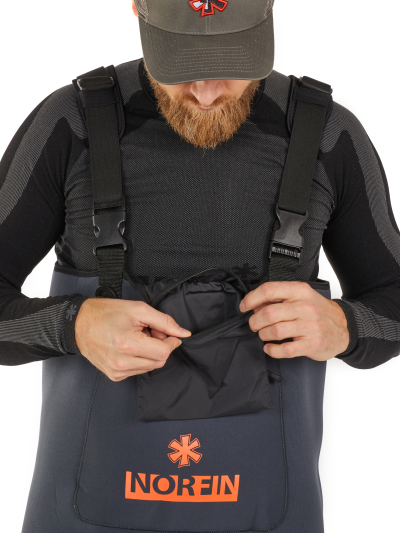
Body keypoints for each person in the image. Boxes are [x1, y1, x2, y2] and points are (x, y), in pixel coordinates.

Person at [0, 0, 399, 532]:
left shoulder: (327, 135)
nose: (206, 92)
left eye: (231, 62)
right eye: (182, 64)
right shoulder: (70, 125)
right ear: (138, 11)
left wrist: (346, 326)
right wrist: (70, 325)